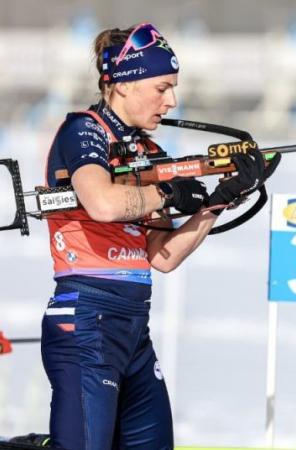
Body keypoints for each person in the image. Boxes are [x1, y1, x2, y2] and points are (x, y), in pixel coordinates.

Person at [40, 22, 279, 450]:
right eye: (162, 87)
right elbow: (102, 203)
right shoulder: (85, 131)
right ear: (124, 84)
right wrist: (166, 192)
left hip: (133, 328)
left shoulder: (148, 153)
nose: (171, 101)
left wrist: (219, 200)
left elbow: (163, 256)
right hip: (86, 320)